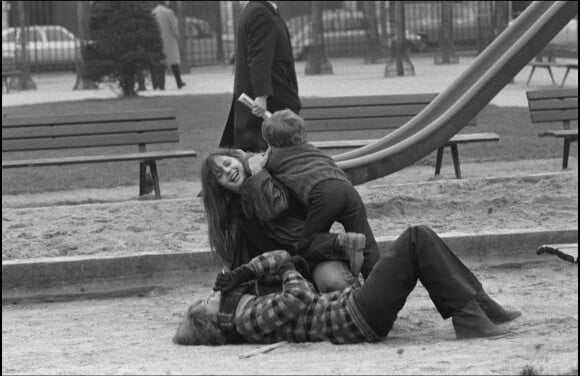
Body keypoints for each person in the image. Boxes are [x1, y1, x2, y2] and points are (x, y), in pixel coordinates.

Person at [173, 225, 522, 346]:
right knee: (414, 239)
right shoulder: (247, 320)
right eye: (206, 303)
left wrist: (245, 271)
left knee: (421, 236)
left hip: (355, 308)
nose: (212, 295)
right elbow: (298, 297)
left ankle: (477, 305)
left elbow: (279, 254)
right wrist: (288, 269)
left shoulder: (249, 301)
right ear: (214, 321)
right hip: (357, 317)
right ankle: (471, 319)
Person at [238, 108, 381, 280]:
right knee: (367, 241)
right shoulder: (312, 149)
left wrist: (245, 158)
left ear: (269, 141)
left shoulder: (273, 156)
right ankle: (379, 280)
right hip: (347, 189)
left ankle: (343, 243)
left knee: (306, 245)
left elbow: (256, 164)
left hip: (323, 194)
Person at [201, 149, 369, 293]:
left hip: (313, 257)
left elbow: (274, 207)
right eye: (220, 174)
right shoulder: (234, 215)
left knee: (335, 282)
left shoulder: (274, 174)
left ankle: (357, 305)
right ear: (219, 186)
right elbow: (240, 261)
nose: (228, 171)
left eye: (227, 163)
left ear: (238, 158)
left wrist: (258, 171)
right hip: (280, 272)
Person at [218, 1, 300, 153]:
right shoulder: (260, 12)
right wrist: (261, 96)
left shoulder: (263, 10)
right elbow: (259, 58)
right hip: (268, 107)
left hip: (273, 104)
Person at [151, 1, 186, 90]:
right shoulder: (169, 12)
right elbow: (174, 28)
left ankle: (157, 84)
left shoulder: (153, 12)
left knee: (159, 63)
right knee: (174, 63)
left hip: (157, 40)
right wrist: (177, 36)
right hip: (169, 40)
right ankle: (179, 82)